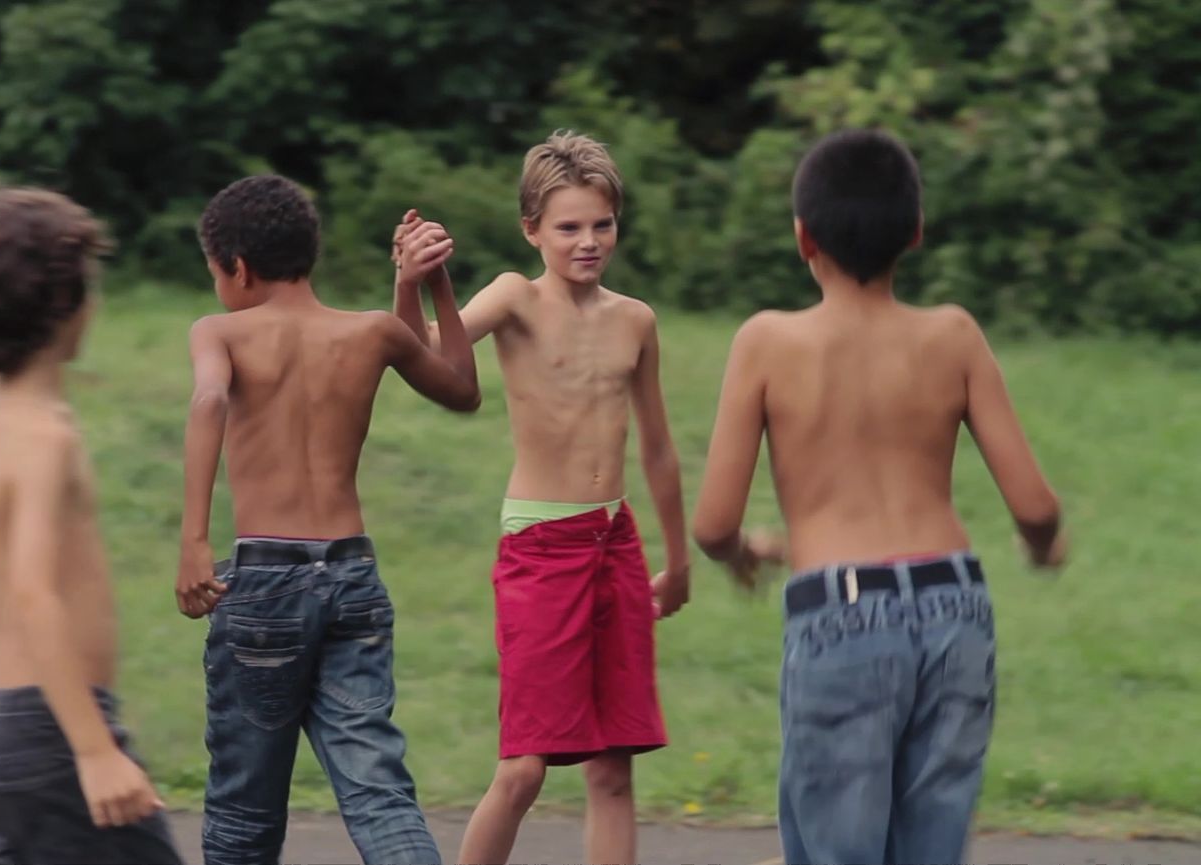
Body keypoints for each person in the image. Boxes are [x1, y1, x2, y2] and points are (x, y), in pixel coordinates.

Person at [691, 128, 1068, 865]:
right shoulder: (955, 335)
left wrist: (750, 551)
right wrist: (1042, 546)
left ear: (804, 238)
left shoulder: (766, 342)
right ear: (916, 232)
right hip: (955, 607)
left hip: (841, 611)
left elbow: (712, 524)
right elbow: (1036, 505)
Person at [392, 130, 691, 865]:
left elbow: (656, 446)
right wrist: (408, 281)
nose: (588, 241)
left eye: (601, 224)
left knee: (613, 765)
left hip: (614, 542)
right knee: (524, 768)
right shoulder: (515, 297)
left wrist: (678, 559)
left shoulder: (636, 319)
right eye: (568, 227)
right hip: (540, 546)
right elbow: (425, 348)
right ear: (532, 229)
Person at [175, 174, 479, 865]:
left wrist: (194, 540)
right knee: (379, 794)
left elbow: (208, 403)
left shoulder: (218, 330)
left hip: (264, 589)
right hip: (352, 581)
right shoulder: (371, 332)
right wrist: (428, 283)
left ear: (237, 268)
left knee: (244, 811)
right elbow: (462, 390)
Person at [0, 187, 182, 864]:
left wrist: (23, 629)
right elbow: (31, 589)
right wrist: (95, 751)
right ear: (65, 304)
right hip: (54, 733)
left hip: (1, 731)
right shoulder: (47, 436)